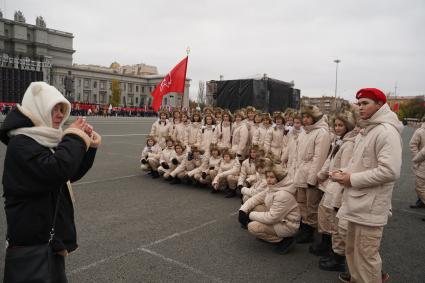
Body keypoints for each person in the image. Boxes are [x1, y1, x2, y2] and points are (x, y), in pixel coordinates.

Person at [1, 82, 100, 282]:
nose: (59, 114)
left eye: (62, 109)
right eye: (54, 108)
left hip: (47, 236)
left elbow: (67, 174)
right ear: (38, 108)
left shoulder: (43, 139)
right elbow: (56, 170)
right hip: (32, 238)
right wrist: (74, 138)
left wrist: (88, 146)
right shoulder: (21, 142)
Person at [335, 88, 402, 283]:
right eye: (359, 103)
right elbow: (360, 163)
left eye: (365, 103)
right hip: (358, 202)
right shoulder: (369, 129)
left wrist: (351, 179)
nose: (360, 107)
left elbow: (390, 171)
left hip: (370, 206)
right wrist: (343, 173)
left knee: (365, 257)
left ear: (380, 105)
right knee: (353, 251)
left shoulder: (385, 131)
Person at [312, 110, 358, 273]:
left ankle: (338, 258)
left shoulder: (349, 145)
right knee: (325, 216)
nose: (337, 128)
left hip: (338, 188)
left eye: (341, 125)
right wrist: (322, 174)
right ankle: (331, 249)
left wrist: (330, 175)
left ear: (348, 126)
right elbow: (330, 160)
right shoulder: (340, 141)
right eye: (336, 125)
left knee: (336, 224)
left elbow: (343, 170)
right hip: (331, 185)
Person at [238, 166, 300, 254]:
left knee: (252, 227)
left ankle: (284, 240)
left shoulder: (283, 194)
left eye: (272, 177)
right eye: (267, 177)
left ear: (279, 178)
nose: (268, 180)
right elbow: (256, 198)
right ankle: (272, 234)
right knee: (255, 206)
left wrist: (250, 215)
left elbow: (272, 218)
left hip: (288, 225)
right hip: (280, 218)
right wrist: (243, 210)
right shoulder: (273, 187)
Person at [294, 105, 331, 243]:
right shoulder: (304, 132)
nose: (305, 119)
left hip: (311, 174)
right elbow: (298, 155)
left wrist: (312, 179)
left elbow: (319, 158)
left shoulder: (321, 132)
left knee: (312, 204)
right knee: (301, 202)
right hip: (301, 171)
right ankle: (304, 226)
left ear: (314, 117)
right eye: (303, 117)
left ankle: (310, 230)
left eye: (308, 117)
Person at [409, 116, 425, 211]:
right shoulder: (420, 131)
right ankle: (421, 202)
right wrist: (417, 156)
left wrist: (417, 158)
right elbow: (413, 144)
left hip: (421, 161)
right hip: (421, 161)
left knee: (420, 186)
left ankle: (422, 201)